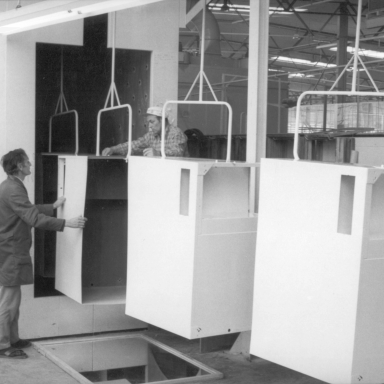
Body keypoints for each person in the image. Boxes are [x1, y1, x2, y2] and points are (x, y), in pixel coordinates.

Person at [0, 149, 87, 359]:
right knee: (9, 300)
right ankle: (3, 345)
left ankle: (13, 339)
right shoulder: (13, 188)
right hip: (11, 251)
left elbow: (27, 209)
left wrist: (52, 206)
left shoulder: (12, 185)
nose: (30, 164)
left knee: (14, 300)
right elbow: (33, 218)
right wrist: (67, 223)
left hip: (12, 249)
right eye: (27, 162)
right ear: (20, 166)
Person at [102, 105, 189, 157]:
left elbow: (178, 152)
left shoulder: (176, 133)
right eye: (148, 122)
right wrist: (113, 149)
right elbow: (134, 145)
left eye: (152, 122)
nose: (149, 126)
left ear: (162, 120)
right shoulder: (151, 135)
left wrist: (158, 153)